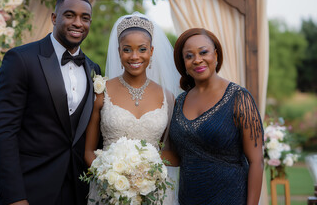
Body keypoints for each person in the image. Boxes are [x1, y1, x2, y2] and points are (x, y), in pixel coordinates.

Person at [0, 0, 101, 205]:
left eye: (85, 18)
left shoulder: (93, 68)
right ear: (53, 18)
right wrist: (14, 196)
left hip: (77, 191)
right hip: (30, 189)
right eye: (69, 15)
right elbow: (3, 133)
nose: (78, 23)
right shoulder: (21, 59)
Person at [84, 12, 181, 204]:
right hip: (109, 191)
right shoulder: (102, 91)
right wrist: (110, 178)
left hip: (154, 193)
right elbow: (88, 151)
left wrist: (143, 174)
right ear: (118, 51)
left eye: (142, 49)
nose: (134, 56)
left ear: (151, 51)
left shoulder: (167, 97)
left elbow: (174, 154)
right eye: (127, 49)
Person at [170, 28, 264, 205]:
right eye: (189, 56)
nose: (197, 60)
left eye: (203, 52)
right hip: (188, 200)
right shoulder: (180, 101)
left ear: (216, 55)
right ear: (183, 64)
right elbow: (178, 155)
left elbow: (256, 161)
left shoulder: (239, 97)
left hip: (231, 198)